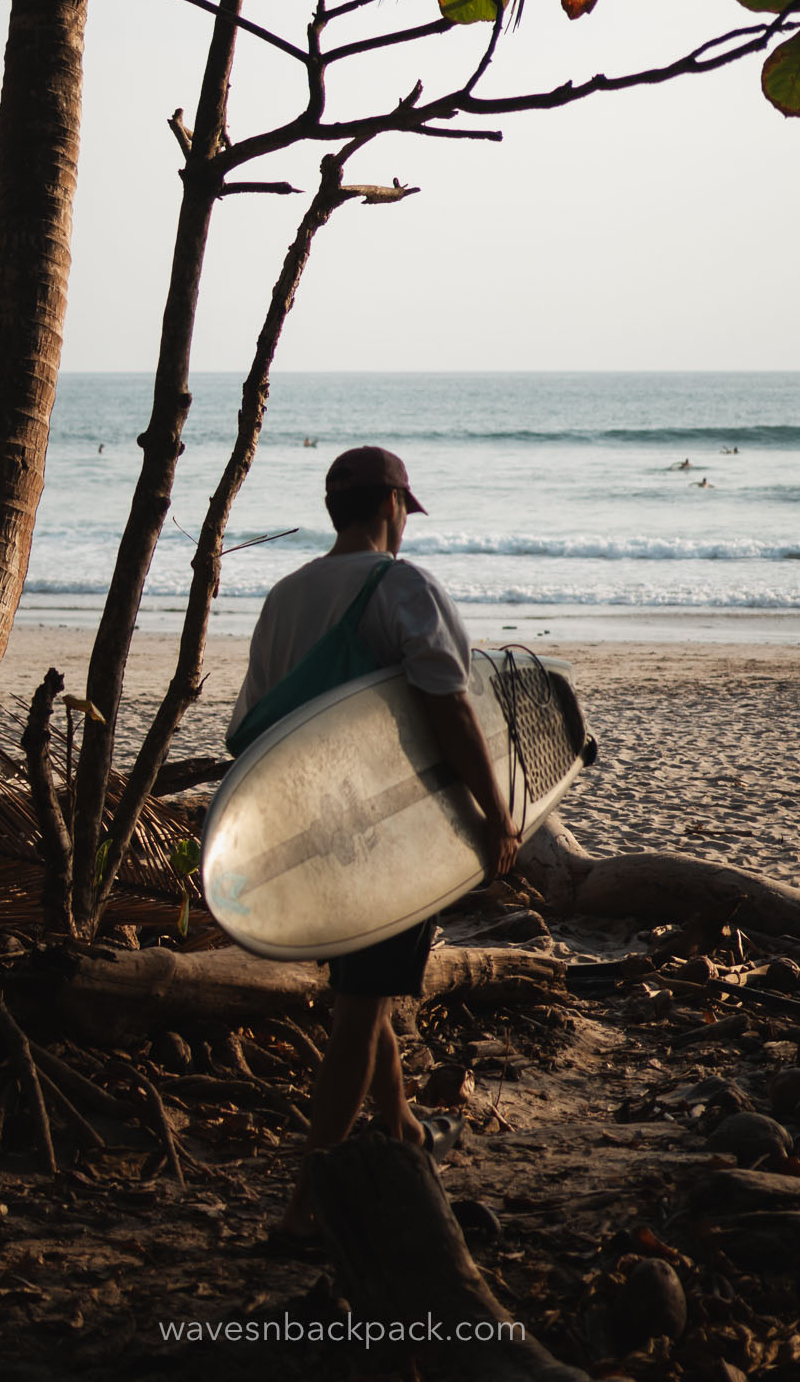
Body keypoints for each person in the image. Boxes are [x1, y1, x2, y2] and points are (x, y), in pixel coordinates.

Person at [228, 445, 520, 1239]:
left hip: (304, 832)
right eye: (404, 509)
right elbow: (451, 706)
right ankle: (304, 1209)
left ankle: (403, 1134)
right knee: (358, 1014)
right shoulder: (404, 585)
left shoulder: (285, 596)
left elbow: (250, 731)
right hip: (385, 834)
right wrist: (495, 816)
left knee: (362, 991)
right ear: (393, 505)